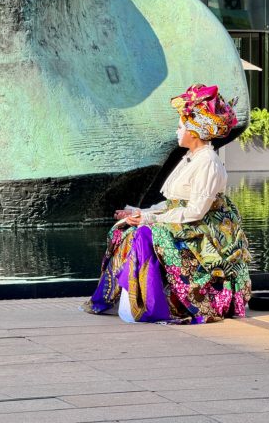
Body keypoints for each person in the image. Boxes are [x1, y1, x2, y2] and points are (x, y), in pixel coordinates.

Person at [82, 84, 252, 324]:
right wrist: (140, 212)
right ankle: (130, 299)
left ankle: (154, 303)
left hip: (203, 232)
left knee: (144, 234)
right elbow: (174, 204)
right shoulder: (192, 158)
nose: (177, 131)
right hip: (188, 221)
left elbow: (196, 211)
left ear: (194, 131)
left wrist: (150, 219)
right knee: (124, 229)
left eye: (180, 126)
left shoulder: (208, 163)